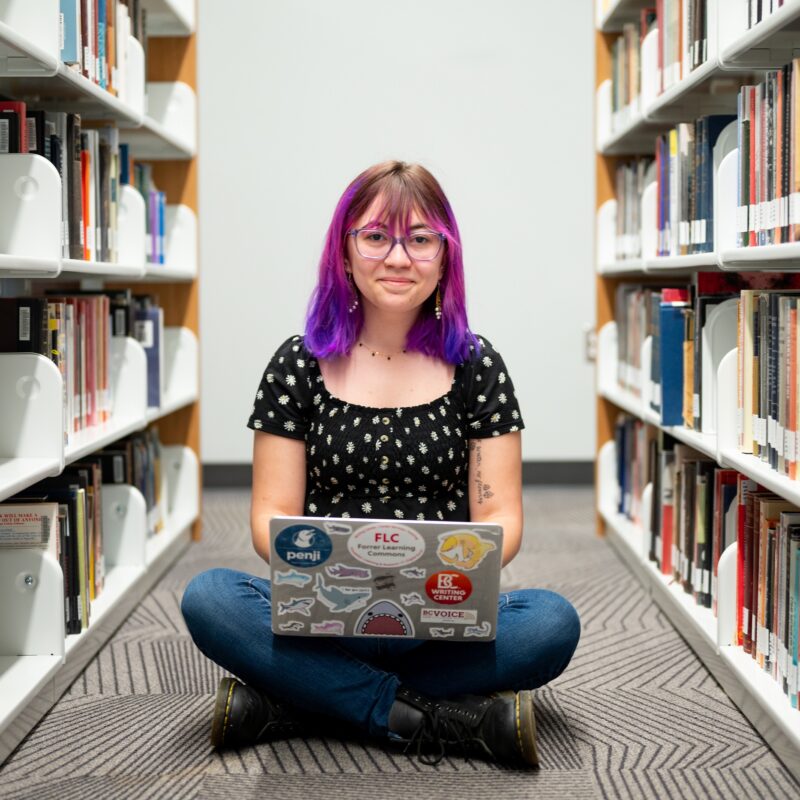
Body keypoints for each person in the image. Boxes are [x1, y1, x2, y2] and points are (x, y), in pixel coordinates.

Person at [181, 160, 581, 768]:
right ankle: (431, 716)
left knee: (551, 622)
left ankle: (301, 700)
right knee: (210, 598)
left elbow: (502, 517)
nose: (398, 258)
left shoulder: (478, 365)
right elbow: (270, 517)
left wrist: (446, 568)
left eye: (420, 239)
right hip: (323, 613)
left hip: (443, 616)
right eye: (375, 236)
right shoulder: (298, 365)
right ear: (344, 252)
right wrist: (339, 561)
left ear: (446, 256)